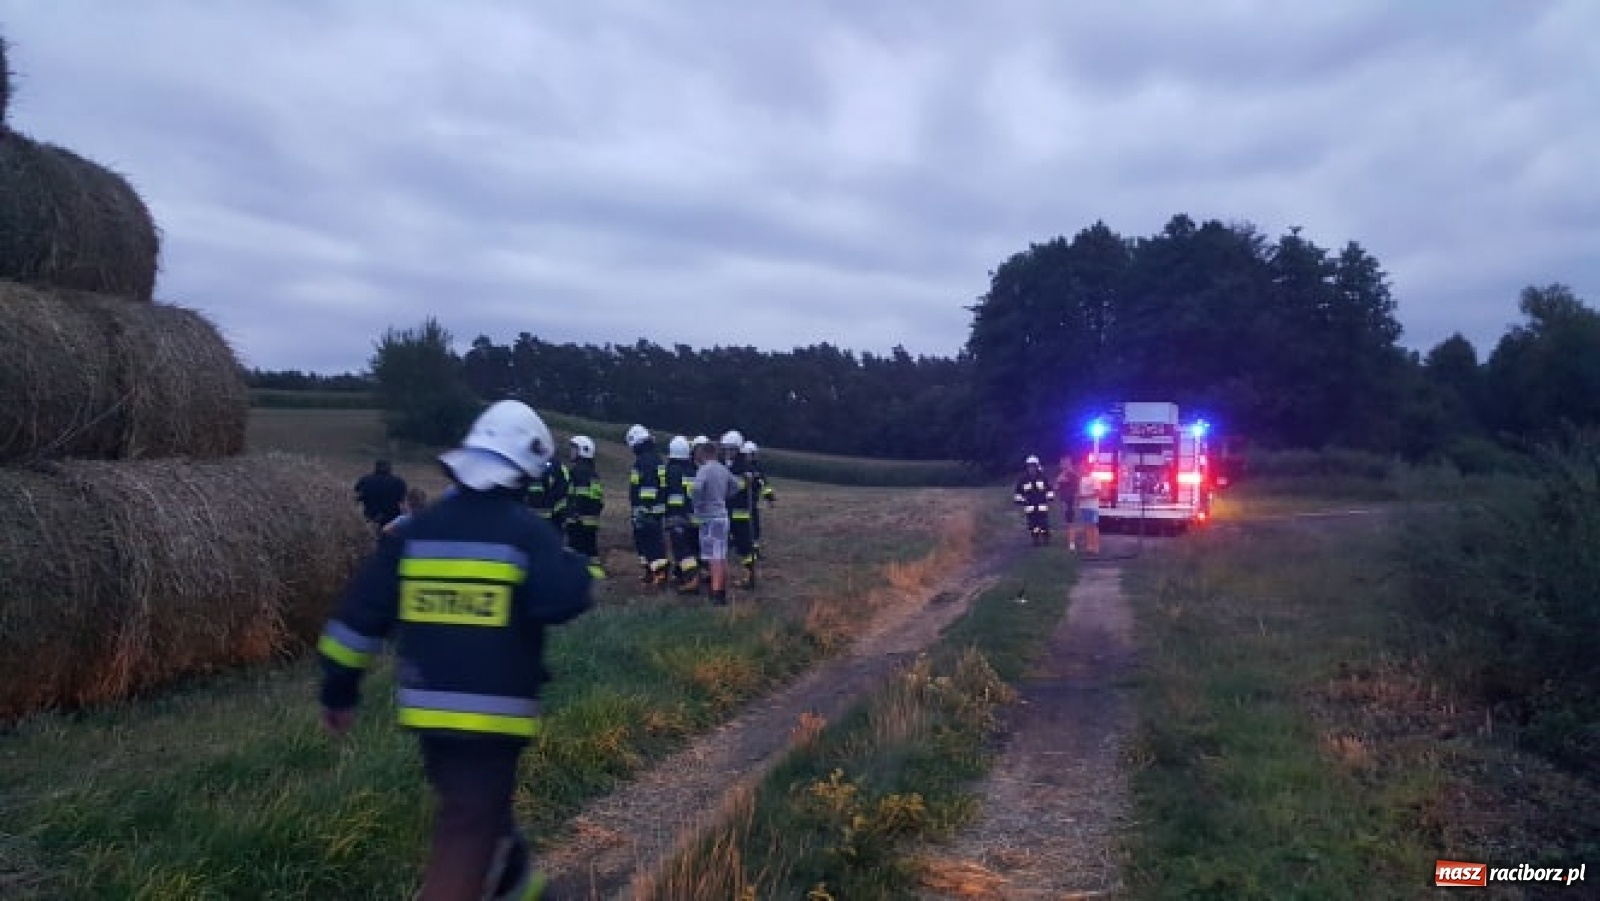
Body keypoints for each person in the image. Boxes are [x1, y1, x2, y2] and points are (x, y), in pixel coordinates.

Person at [317, 400, 594, 901]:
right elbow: (562, 599)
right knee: (469, 831)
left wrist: (338, 692)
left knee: (488, 825)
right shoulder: (525, 533)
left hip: (428, 714)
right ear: (522, 472)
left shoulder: (414, 532)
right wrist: (574, 566)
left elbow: (356, 623)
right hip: (494, 721)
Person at [691, 435, 741, 605]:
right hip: (723, 516)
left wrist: (697, 505)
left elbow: (697, 488)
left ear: (703, 453)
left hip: (709, 518)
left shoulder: (704, 470)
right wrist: (724, 496)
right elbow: (736, 486)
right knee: (721, 554)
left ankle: (716, 592)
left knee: (714, 557)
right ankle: (721, 590)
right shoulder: (723, 469)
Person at [625, 424, 671, 588]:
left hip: (646, 510)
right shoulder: (655, 458)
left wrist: (644, 509)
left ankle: (660, 574)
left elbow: (648, 488)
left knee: (650, 543)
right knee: (649, 542)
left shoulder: (644, 461)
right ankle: (651, 572)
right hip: (655, 509)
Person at [663, 435, 702, 594]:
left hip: (676, 515)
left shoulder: (670, 470)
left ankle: (692, 578)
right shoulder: (693, 470)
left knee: (681, 548)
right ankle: (681, 574)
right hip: (694, 514)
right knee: (692, 546)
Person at [721, 430, 759, 590]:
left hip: (740, 513)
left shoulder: (744, 466)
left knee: (744, 546)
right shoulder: (727, 464)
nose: (727, 452)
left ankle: (750, 577)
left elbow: (749, 487)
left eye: (731, 449)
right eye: (726, 449)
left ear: (737, 449)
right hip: (728, 511)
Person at [565, 435, 606, 580]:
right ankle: (596, 577)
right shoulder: (592, 472)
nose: (571, 452)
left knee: (575, 549)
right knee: (591, 551)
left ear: (583, 450)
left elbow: (581, 495)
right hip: (590, 520)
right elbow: (598, 500)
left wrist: (574, 512)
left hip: (579, 520)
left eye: (574, 449)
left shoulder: (579, 471)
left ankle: (574, 577)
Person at [740, 440, 776, 558]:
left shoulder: (756, 469)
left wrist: (769, 497)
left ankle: (754, 550)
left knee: (754, 527)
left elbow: (764, 484)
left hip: (751, 503)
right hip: (740, 503)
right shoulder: (740, 467)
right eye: (752, 454)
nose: (754, 457)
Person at [354, 459, 407, 533]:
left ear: (375, 468)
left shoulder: (364, 480)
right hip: (392, 521)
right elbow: (402, 503)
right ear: (390, 469)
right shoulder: (399, 482)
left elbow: (355, 499)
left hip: (370, 518)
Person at [1014, 455, 1055, 546]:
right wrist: (1021, 501)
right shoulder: (1023, 479)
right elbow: (1018, 494)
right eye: (1029, 466)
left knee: (1043, 523)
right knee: (1033, 525)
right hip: (1029, 506)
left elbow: (1049, 490)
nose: (1031, 468)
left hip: (1042, 505)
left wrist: (1050, 499)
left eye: (1033, 466)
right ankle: (1035, 539)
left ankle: (1045, 537)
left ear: (1036, 466)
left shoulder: (1043, 478)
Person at [524, 455, 570, 534]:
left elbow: (563, 495)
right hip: (538, 519)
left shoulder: (558, 467)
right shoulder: (526, 463)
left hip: (546, 519)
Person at [1072, 467, 1102, 554]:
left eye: (1084, 467)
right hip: (1084, 507)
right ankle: (1089, 547)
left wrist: (1084, 497)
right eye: (1082, 467)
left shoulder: (1095, 479)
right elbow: (1080, 492)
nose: (1082, 469)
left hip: (1092, 507)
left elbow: (1098, 493)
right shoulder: (1082, 479)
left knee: (1093, 527)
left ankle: (1096, 548)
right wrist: (1078, 498)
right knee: (1087, 527)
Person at [1054, 453, 1079, 541]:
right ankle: (1069, 539)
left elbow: (1076, 489)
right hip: (1064, 501)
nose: (1061, 465)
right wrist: (1058, 481)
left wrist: (1062, 480)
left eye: (1063, 463)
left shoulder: (1073, 474)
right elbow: (1056, 488)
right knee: (1068, 522)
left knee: (1071, 522)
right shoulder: (1061, 474)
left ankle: (1072, 542)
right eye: (1061, 463)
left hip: (1071, 501)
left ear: (1069, 463)